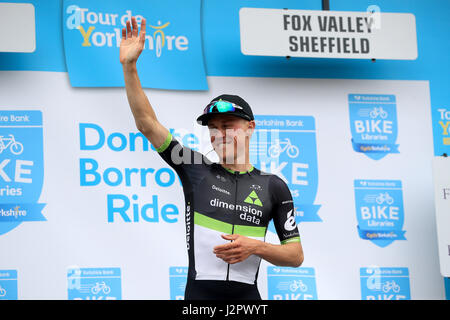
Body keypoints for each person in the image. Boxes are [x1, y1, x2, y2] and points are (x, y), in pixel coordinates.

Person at [120, 16, 304, 300]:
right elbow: (147, 124)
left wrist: (255, 247)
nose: (220, 134)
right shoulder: (194, 167)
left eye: (228, 126)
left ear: (249, 128)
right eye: (213, 128)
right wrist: (130, 67)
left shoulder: (273, 186)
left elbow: (295, 255)